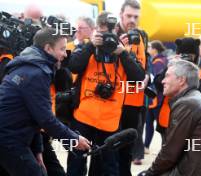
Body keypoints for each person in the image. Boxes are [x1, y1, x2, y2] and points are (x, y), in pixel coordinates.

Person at [0, 27, 90, 176]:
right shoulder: (37, 73)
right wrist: (75, 139)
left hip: (12, 137)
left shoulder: (30, 66)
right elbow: (45, 119)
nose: (64, 54)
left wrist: (37, 150)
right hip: (8, 139)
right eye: (62, 49)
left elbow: (33, 116)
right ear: (48, 48)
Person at [66, 11, 145, 176]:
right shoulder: (88, 47)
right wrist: (90, 45)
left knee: (108, 166)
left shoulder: (123, 51)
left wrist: (123, 53)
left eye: (111, 30)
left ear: (116, 29)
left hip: (110, 120)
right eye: (102, 30)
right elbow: (73, 66)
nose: (107, 34)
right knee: (76, 162)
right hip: (83, 116)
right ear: (96, 29)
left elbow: (138, 77)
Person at [138, 59, 201, 176]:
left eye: (167, 76)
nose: (163, 81)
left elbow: (170, 153)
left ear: (181, 80)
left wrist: (149, 173)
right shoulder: (194, 99)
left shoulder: (187, 104)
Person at [116, 0, 148, 174]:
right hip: (114, 100)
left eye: (136, 16)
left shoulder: (142, 35)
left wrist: (147, 76)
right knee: (111, 147)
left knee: (128, 147)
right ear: (121, 14)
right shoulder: (112, 33)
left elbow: (145, 62)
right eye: (129, 16)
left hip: (134, 101)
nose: (132, 20)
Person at [144, 40, 167, 155]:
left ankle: (164, 147)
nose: (148, 50)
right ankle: (146, 146)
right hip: (155, 98)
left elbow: (157, 81)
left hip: (157, 98)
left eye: (150, 48)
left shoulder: (158, 62)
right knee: (150, 124)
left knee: (160, 125)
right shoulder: (162, 60)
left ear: (155, 49)